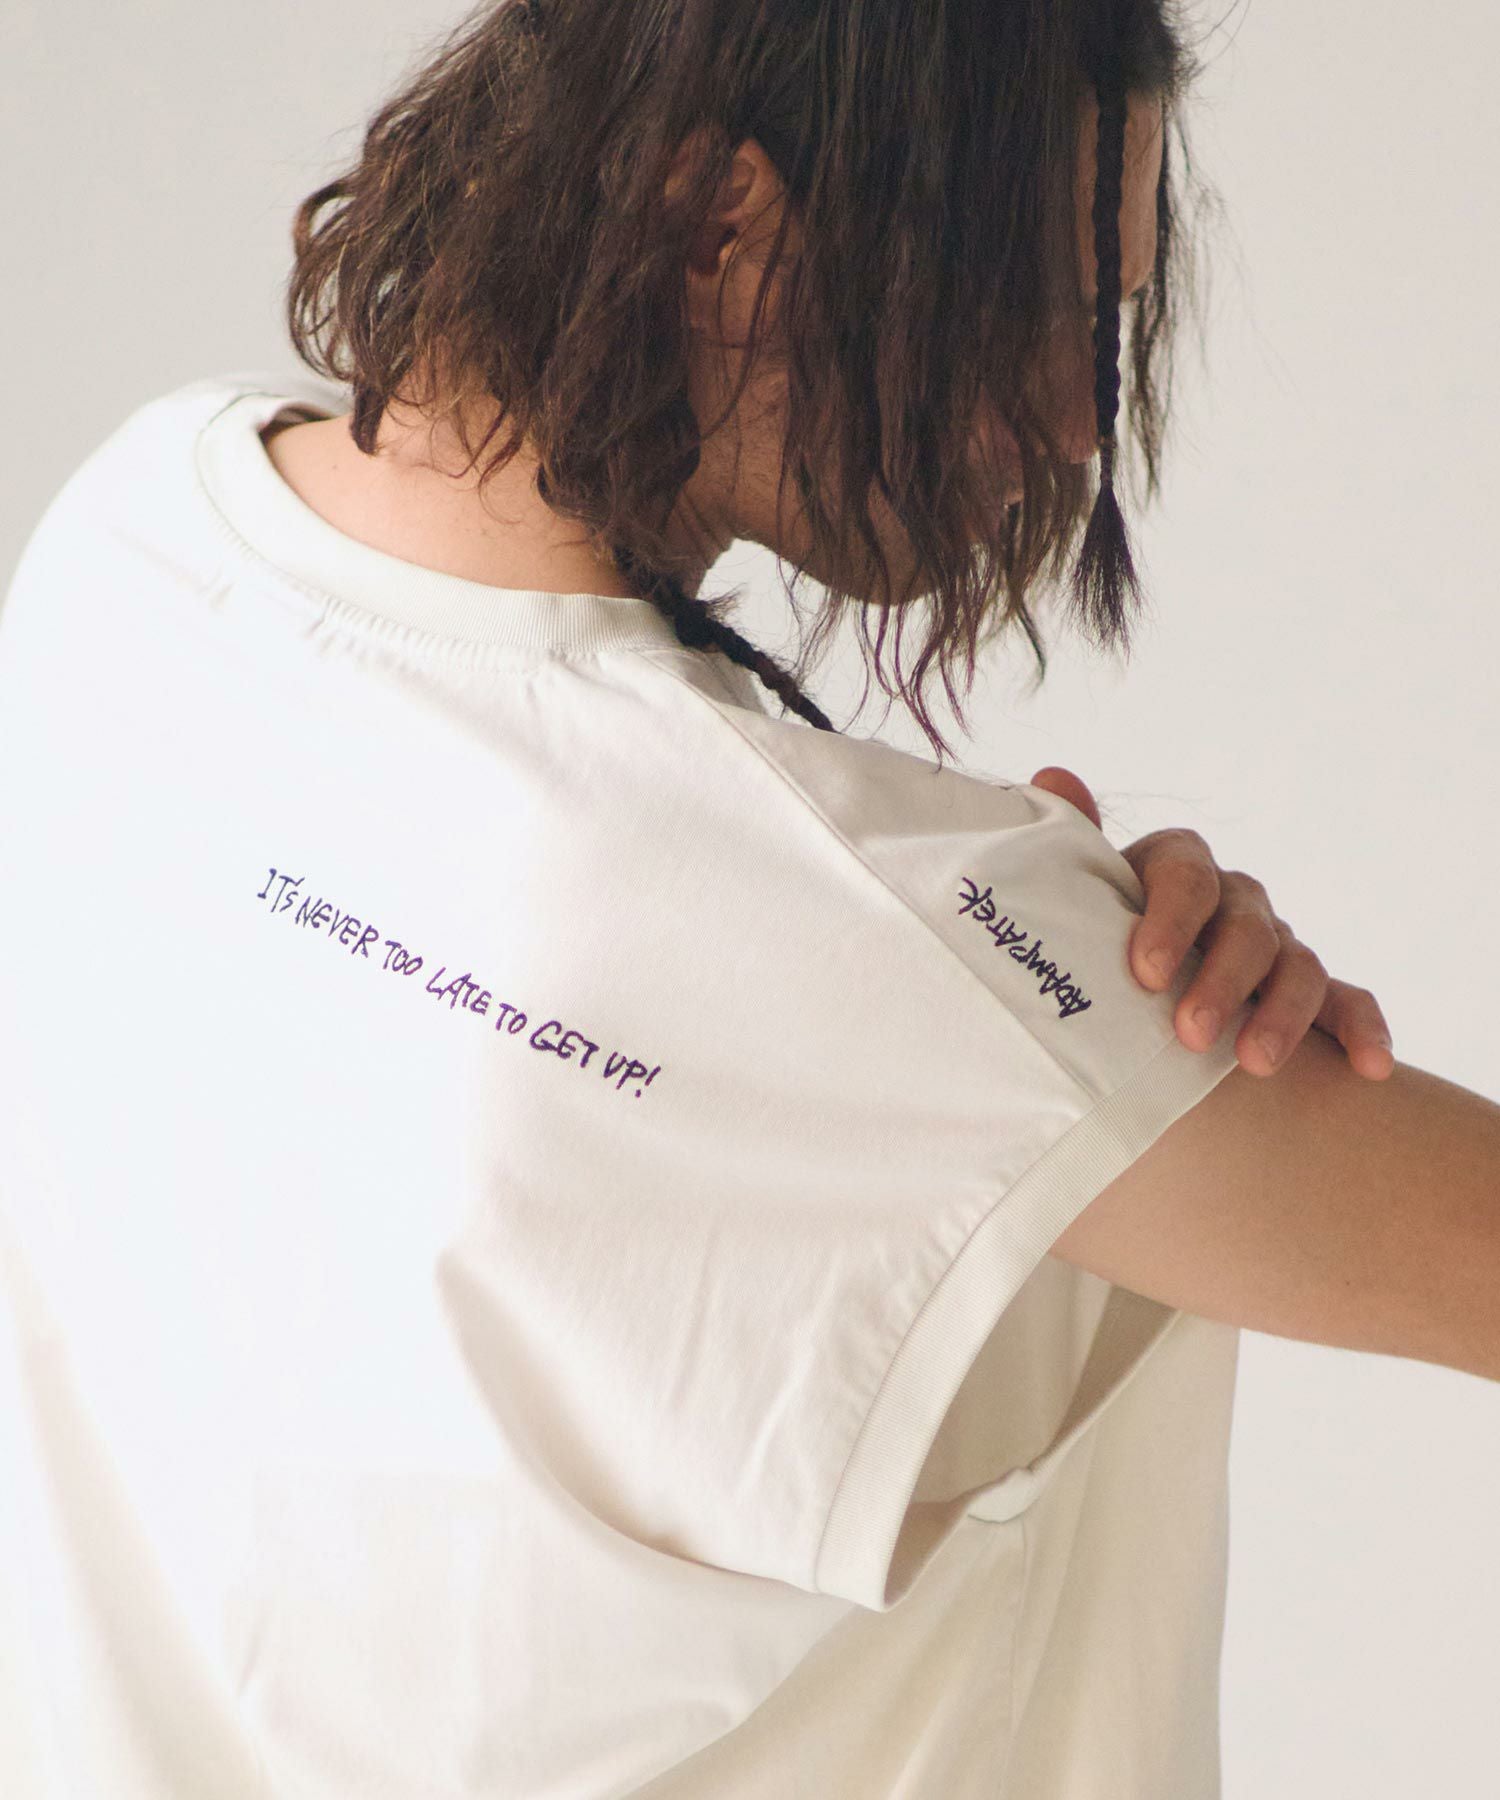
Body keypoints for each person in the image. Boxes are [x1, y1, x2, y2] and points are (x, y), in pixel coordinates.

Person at [0, 1, 1492, 1797]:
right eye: (1025, 307)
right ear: (721, 220)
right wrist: (1027, 961)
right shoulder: (819, 920)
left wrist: (1028, 957)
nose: (1067, 419)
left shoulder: (140, 542)